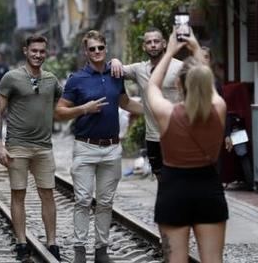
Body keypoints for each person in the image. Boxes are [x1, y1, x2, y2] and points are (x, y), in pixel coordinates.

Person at [54, 30, 143, 263]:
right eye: (91, 49)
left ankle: (101, 251)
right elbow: (59, 112)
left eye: (100, 48)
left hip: (112, 148)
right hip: (85, 147)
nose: (96, 52)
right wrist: (84, 109)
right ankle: (80, 250)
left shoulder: (115, 74)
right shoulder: (76, 79)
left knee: (105, 202)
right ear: (86, 52)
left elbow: (124, 102)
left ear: (105, 49)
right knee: (83, 200)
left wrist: (153, 111)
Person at [147, 28, 228, 263]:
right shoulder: (218, 109)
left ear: (179, 85)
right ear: (205, 83)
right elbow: (207, 85)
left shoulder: (167, 114)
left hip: (173, 190)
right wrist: (194, 47)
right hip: (209, 189)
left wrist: (170, 50)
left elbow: (152, 86)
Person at [0, 35, 63, 262]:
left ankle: (52, 242)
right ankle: (22, 242)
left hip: (44, 147)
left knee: (48, 194)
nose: (38, 55)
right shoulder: (11, 78)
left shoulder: (52, 80)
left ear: (46, 53)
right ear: (25, 51)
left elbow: (58, 107)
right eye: (34, 51)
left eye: (42, 51)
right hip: (17, 146)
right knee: (18, 194)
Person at [109, 27, 183, 180]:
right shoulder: (139, 69)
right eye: (149, 42)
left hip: (177, 134)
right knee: (161, 179)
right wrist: (115, 60)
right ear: (144, 47)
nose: (153, 45)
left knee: (180, 179)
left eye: (156, 41)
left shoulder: (180, 67)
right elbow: (114, 70)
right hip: (153, 137)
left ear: (164, 44)